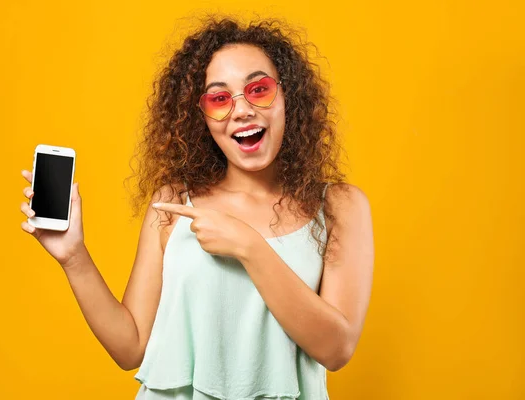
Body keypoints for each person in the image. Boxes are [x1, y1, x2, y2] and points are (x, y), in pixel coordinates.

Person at [20, 16, 374, 400]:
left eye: (258, 90)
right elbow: (130, 347)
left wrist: (248, 246)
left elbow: (337, 349)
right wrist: (74, 257)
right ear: (201, 116)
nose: (241, 111)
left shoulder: (339, 206)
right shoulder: (173, 203)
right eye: (220, 99)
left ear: (289, 97)